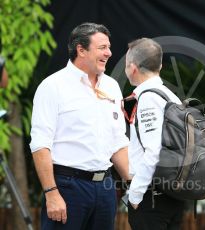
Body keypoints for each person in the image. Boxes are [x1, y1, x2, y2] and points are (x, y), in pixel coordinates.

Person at [30, 22, 129, 230]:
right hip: (67, 187)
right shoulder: (52, 86)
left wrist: (135, 182)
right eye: (102, 47)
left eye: (109, 47)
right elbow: (40, 145)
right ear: (81, 50)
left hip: (105, 188)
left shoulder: (112, 86)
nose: (109, 53)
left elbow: (118, 142)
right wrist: (51, 193)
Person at [124, 38, 185, 230]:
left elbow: (154, 151)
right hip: (173, 192)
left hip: (151, 197)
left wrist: (135, 193)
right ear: (159, 66)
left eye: (126, 65)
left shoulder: (148, 98)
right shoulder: (170, 95)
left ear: (133, 68)